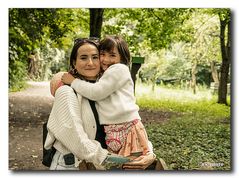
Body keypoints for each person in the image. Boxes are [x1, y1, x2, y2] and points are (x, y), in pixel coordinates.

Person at [46, 37, 156, 170]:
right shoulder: (66, 92)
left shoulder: (104, 88)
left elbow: (130, 126)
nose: (90, 63)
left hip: (98, 165)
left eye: (95, 57)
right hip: (71, 166)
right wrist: (118, 159)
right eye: (83, 58)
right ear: (74, 62)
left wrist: (148, 152)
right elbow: (77, 141)